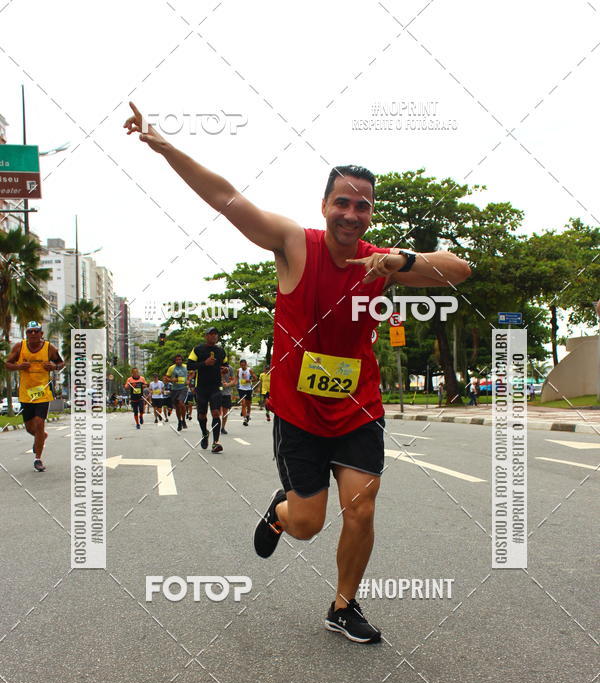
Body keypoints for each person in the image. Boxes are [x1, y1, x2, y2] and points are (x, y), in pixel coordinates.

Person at [124, 102, 471, 643]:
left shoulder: (381, 262)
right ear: (325, 206)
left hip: (358, 408)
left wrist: (399, 260)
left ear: (370, 213)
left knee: (362, 507)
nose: (351, 214)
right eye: (342, 203)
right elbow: (225, 198)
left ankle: (343, 606)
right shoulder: (293, 244)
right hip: (299, 410)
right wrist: (165, 145)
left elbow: (458, 271)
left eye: (362, 206)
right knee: (307, 525)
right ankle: (282, 511)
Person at [4, 321, 64, 472]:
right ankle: (41, 436)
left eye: (35, 331)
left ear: (41, 333)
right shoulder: (20, 347)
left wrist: (54, 367)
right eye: (29, 332)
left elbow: (61, 363)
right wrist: (18, 366)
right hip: (26, 393)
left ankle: (37, 459)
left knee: (39, 422)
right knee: (30, 428)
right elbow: (7, 364)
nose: (32, 334)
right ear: (26, 334)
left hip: (42, 393)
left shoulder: (49, 347)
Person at [187, 326, 226, 452]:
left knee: (216, 413)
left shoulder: (221, 351)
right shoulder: (198, 349)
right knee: (201, 415)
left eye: (216, 334)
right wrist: (205, 363)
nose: (214, 336)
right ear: (206, 336)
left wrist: (225, 369)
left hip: (215, 387)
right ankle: (204, 433)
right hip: (202, 387)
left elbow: (226, 366)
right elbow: (189, 365)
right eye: (211, 334)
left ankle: (216, 442)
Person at [164, 354, 189, 431]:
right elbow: (166, 378)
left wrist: (188, 379)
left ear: (182, 360)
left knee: (181, 403)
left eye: (180, 359)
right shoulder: (171, 368)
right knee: (177, 407)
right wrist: (172, 380)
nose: (179, 361)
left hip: (183, 388)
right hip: (175, 389)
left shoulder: (186, 367)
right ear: (175, 361)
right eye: (177, 360)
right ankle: (179, 421)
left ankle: (184, 420)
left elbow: (192, 373)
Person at [220, 361, 236, 434]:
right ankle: (216, 425)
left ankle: (223, 427)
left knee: (225, 412)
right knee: (216, 411)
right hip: (217, 392)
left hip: (226, 393)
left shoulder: (230, 368)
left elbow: (234, 381)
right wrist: (221, 374)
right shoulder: (215, 366)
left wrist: (228, 384)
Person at [238, 359, 254, 425]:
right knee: (243, 403)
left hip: (248, 389)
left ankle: (248, 415)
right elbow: (236, 378)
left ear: (246, 364)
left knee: (248, 405)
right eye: (241, 365)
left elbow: (255, 378)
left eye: (244, 365)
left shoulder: (249, 370)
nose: (243, 367)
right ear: (240, 365)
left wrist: (249, 380)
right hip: (241, 389)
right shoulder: (238, 370)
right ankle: (244, 419)